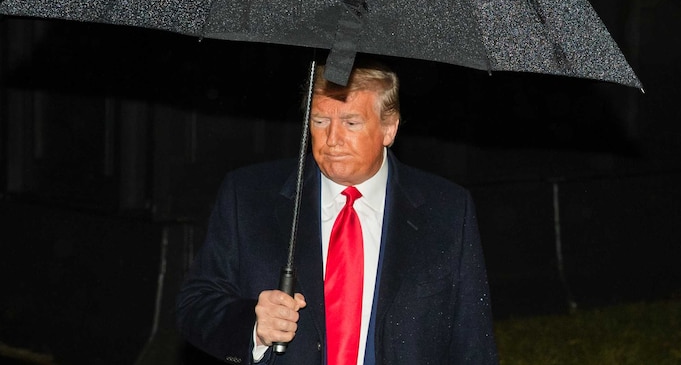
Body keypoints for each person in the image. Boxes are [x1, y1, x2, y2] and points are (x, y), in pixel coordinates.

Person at [176, 59, 499, 365]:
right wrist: (254, 325)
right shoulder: (249, 196)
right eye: (320, 121)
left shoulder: (446, 208)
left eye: (351, 123)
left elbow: (472, 340)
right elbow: (195, 306)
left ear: (389, 128)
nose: (332, 139)